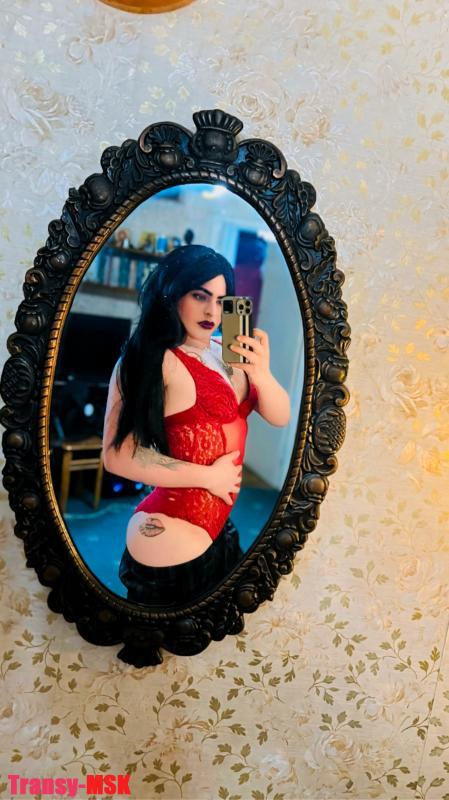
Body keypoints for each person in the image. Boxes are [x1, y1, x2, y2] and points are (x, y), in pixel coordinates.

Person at [102, 245, 291, 605]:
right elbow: (117, 456)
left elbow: (280, 417)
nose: (212, 312)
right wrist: (209, 477)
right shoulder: (152, 359)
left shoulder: (224, 351)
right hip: (172, 530)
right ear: (172, 292)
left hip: (218, 525)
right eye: (200, 296)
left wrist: (261, 373)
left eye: (221, 300)